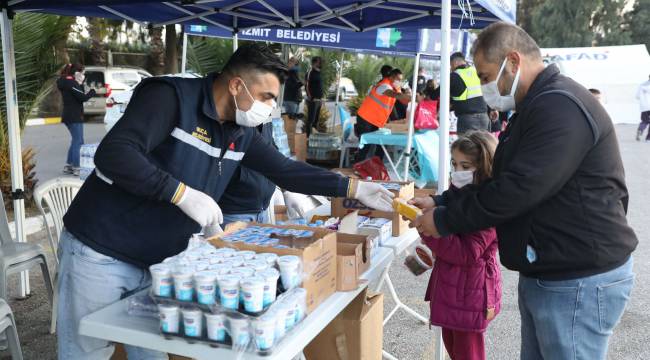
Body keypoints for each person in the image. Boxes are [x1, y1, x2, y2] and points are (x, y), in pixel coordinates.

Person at [57, 43, 394, 360]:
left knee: (150, 351)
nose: (270, 107)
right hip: (102, 250)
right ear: (236, 86)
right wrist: (180, 193)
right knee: (87, 351)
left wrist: (352, 188)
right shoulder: (171, 99)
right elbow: (115, 153)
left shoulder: (239, 131)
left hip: (159, 261)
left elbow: (284, 170)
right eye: (265, 96)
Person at [410, 22, 637, 359]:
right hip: (553, 272)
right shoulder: (535, 106)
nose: (484, 87)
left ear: (513, 62)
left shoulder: (559, 106)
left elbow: (518, 189)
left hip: (578, 278)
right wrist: (440, 200)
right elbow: (497, 180)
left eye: (486, 77)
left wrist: (444, 220)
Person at [411, 131, 501, 360]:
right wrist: (432, 202)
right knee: (454, 347)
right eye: (454, 164)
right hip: (456, 291)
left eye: (465, 166)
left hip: (470, 294)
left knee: (467, 353)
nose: (457, 172)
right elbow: (450, 197)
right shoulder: (463, 191)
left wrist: (428, 230)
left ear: (484, 168)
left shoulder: (488, 205)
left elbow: (466, 253)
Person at [218, 120, 275, 227]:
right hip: (234, 213)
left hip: (263, 210)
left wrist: (285, 190)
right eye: (265, 101)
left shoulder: (264, 119)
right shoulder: (230, 122)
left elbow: (273, 154)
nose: (271, 104)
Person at [355, 68, 412, 161]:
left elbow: (402, 99)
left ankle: (377, 165)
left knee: (382, 143)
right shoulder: (384, 86)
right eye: (398, 79)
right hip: (366, 118)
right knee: (365, 145)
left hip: (376, 121)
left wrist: (409, 94)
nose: (399, 82)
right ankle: (357, 166)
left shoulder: (395, 87)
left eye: (401, 80)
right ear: (391, 77)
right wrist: (413, 98)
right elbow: (394, 95)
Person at [57, 63, 96, 176]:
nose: (83, 74)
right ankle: (77, 167)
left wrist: (81, 83)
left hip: (70, 115)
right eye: (82, 72)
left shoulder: (69, 82)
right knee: (78, 142)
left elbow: (79, 93)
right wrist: (93, 91)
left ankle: (69, 165)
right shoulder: (70, 83)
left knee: (76, 140)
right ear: (76, 72)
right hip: (73, 116)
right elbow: (83, 97)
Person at [450, 52, 490, 134]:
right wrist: (492, 109)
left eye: (451, 65)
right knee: (483, 145)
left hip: (467, 119)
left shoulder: (455, 75)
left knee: (467, 146)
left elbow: (438, 94)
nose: (451, 68)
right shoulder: (476, 71)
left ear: (455, 62)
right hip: (484, 116)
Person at [305, 56, 324, 137]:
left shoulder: (318, 73)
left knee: (316, 120)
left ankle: (314, 137)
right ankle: (308, 137)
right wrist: (311, 97)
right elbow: (307, 85)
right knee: (311, 120)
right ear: (315, 63)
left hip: (319, 100)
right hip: (313, 100)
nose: (321, 63)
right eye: (319, 62)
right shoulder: (310, 72)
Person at [636, 74, 650, 141]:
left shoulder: (641, 85)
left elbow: (637, 96)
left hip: (644, 107)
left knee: (644, 121)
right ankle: (648, 138)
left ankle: (640, 129)